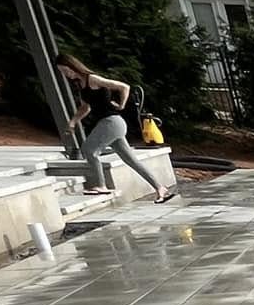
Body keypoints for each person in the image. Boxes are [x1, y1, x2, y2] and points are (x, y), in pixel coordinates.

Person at [57, 53, 171, 203]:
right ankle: (159, 188)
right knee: (131, 160)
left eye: (65, 70)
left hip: (111, 122)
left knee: (88, 150)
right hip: (110, 125)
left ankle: (101, 185)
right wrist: (73, 122)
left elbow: (124, 87)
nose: (66, 74)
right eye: (62, 72)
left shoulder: (93, 79)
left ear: (72, 66)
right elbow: (85, 107)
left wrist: (122, 105)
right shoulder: (80, 84)